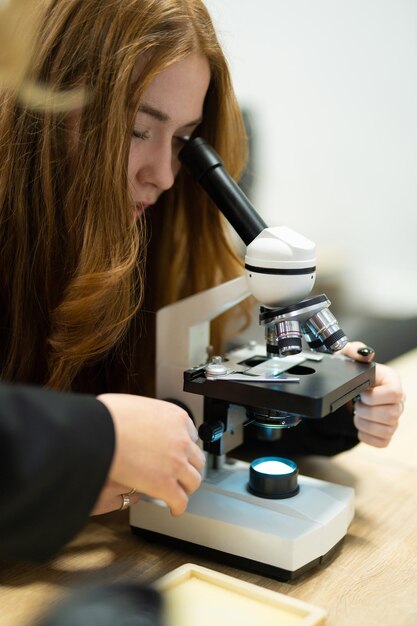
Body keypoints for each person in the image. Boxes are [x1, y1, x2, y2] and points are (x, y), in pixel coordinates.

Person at [0, 0, 404, 538]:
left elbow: (193, 419)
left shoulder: (151, 234)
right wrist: (99, 439)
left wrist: (341, 403)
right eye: (138, 130)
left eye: (182, 140)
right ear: (48, 110)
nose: (164, 176)